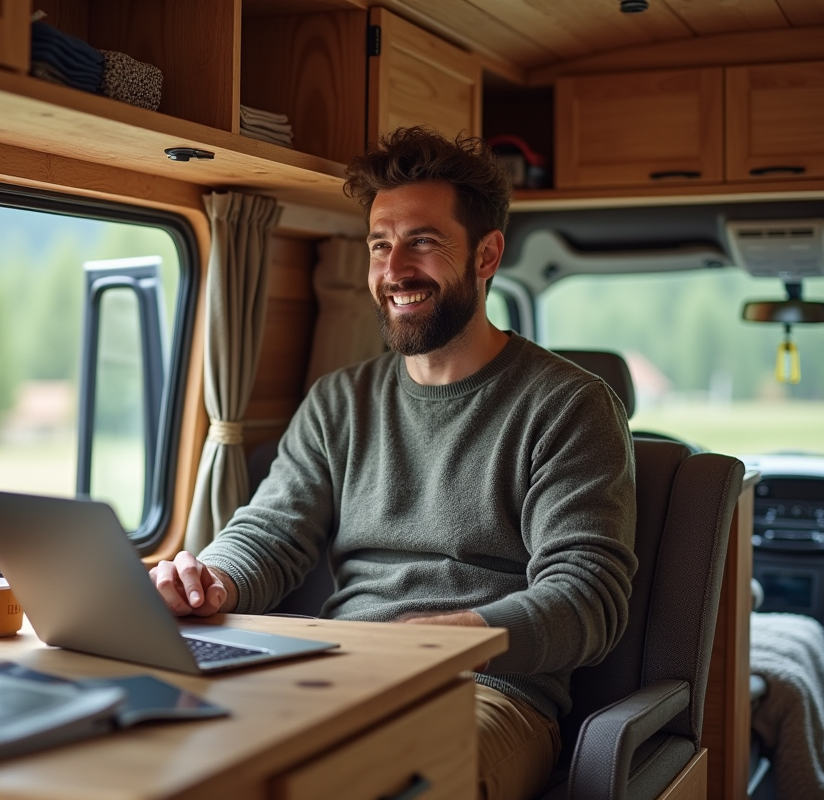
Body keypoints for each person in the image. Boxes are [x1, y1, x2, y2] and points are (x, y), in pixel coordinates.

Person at [150, 127, 637, 800]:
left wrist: (456, 637)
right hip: (339, 670)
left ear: (487, 254)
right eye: (380, 243)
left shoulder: (570, 406)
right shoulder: (337, 401)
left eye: (424, 241)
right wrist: (209, 581)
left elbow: (589, 596)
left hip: (488, 693)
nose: (394, 268)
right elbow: (270, 534)